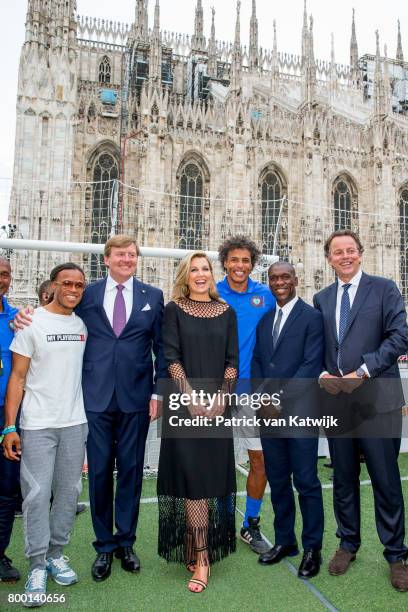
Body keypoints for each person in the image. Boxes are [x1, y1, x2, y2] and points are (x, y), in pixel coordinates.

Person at [15, 235, 166, 582]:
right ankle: (104, 547)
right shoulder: (88, 293)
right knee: (98, 473)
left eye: (132, 255)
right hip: (92, 401)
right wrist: (24, 316)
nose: (127, 259)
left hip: (136, 400)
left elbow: (161, 347)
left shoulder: (152, 297)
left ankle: (126, 542)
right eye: (120, 255)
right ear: (107, 259)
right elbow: (53, 313)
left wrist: (157, 393)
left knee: (130, 471)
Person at [314, 229, 408, 591]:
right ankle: (348, 543)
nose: (345, 256)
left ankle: (396, 554)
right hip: (337, 402)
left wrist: (362, 371)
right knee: (343, 479)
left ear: (360, 253)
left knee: (386, 480)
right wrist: (323, 373)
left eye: (351, 250)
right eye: (338, 252)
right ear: (330, 259)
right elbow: (318, 345)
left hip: (377, 400)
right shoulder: (321, 299)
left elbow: (400, 336)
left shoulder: (384, 289)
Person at [3, 263, 88, 604]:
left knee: (68, 492)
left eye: (79, 284)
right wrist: (10, 426)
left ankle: (56, 555)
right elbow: (18, 379)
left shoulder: (82, 324)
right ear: (53, 285)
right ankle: (37, 564)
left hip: (74, 422)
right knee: (36, 495)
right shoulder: (30, 322)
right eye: (67, 283)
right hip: (37, 424)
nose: (73, 289)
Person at [157, 251, 238, 593]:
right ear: (185, 276)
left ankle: (199, 547)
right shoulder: (173, 309)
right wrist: (189, 396)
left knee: (208, 481)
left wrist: (221, 396)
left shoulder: (227, 312)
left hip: (218, 408)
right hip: (184, 406)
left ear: (212, 275)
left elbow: (232, 361)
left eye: (205, 269)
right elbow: (171, 357)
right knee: (192, 482)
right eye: (194, 270)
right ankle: (203, 557)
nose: (200, 274)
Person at [252, 262, 324, 578]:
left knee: (306, 482)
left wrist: (277, 399)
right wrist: (261, 398)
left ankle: (312, 549)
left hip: (299, 414)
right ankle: (285, 542)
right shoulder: (265, 319)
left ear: (296, 279)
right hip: (268, 416)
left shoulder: (312, 318)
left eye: (285, 277)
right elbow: (257, 363)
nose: (279, 282)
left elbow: (310, 366)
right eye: (274, 278)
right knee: (278, 481)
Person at [217, 236, 274, 554]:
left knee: (259, 461)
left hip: (254, 393)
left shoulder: (264, 295)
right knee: (219, 461)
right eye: (234, 260)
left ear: (253, 264)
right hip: (217, 393)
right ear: (225, 261)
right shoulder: (210, 291)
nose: (240, 266)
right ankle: (220, 522)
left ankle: (250, 525)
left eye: (246, 261)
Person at [0, 256, 20, 582]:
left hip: (9, 418)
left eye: (4, 274)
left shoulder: (18, 320)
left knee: (5, 491)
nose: (0, 279)